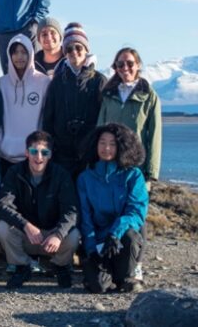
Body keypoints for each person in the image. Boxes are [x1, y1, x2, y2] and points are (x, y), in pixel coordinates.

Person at [97, 47, 162, 280]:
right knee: (114, 211)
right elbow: (100, 128)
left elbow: (154, 136)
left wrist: (150, 174)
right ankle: (112, 258)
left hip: (136, 168)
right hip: (111, 164)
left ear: (139, 65)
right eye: (120, 64)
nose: (125, 68)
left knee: (137, 215)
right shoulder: (109, 95)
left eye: (130, 63)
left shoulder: (149, 96)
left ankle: (137, 264)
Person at [0, 131, 80, 289]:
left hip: (52, 238)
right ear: (27, 152)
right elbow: (2, 205)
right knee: (2, 227)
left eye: (44, 152)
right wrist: (25, 225)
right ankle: (22, 267)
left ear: (50, 155)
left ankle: (60, 267)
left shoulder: (61, 175)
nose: (38, 157)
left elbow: (71, 211)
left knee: (74, 235)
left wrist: (58, 234)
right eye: (34, 151)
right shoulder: (15, 173)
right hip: (27, 235)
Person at [77, 123, 148, 293]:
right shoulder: (85, 178)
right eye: (102, 142)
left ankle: (130, 273)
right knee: (98, 287)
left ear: (122, 147)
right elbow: (85, 217)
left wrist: (114, 233)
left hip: (122, 236)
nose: (106, 148)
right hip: (99, 240)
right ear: (95, 145)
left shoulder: (133, 175)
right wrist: (91, 249)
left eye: (112, 143)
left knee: (125, 281)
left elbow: (136, 211)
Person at [42, 23, 106, 178]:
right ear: (64, 52)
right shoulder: (57, 82)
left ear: (86, 49)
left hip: (91, 155)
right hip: (62, 155)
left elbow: (105, 118)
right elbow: (48, 119)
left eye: (78, 47)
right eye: (69, 48)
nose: (74, 52)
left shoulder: (99, 81)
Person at [0, 34, 50, 177]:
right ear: (9, 55)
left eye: (24, 52)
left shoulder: (43, 82)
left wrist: (41, 146)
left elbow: (47, 117)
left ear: (30, 54)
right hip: (7, 155)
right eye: (15, 52)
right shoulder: (1, 83)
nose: (19, 57)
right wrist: (2, 142)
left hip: (34, 155)